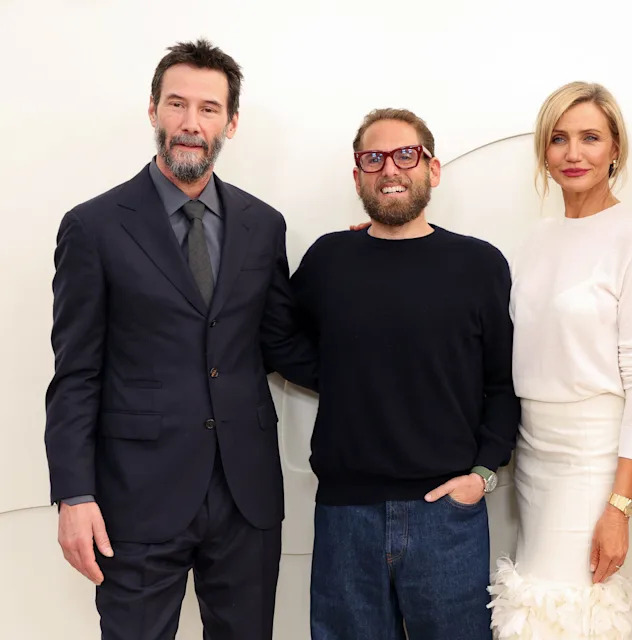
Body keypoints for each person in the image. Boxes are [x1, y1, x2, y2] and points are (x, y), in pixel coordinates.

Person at [45, 39, 316, 640]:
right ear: (153, 111)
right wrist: (72, 494)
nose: (192, 123)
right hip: (135, 498)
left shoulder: (263, 224)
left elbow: (282, 343)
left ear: (231, 122)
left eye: (209, 108)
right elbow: (76, 373)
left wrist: (374, 268)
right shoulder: (93, 226)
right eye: (177, 105)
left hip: (246, 498)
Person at [291, 108, 520, 640]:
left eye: (405, 155)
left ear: (432, 170)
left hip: (447, 514)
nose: (389, 168)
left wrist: (484, 474)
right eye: (373, 158)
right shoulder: (330, 259)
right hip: (346, 515)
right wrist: (345, 373)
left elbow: (504, 384)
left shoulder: (479, 264)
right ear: (357, 175)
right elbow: (275, 335)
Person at [487, 82, 632, 639]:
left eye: (590, 137)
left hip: (593, 458)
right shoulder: (536, 238)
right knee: (537, 605)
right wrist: (381, 240)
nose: (573, 154)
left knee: (565, 609)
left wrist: (619, 506)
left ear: (615, 147)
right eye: (559, 139)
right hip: (531, 450)